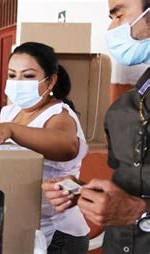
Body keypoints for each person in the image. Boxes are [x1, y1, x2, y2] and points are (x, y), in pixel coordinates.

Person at [0, 42, 90, 253]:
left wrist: (13, 130)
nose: (18, 82)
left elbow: (67, 146)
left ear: (51, 81)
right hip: (18, 227)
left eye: (28, 76)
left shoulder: (59, 115)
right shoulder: (11, 112)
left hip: (55, 236)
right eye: (12, 75)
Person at [42, 0, 150, 253]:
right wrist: (84, 194)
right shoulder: (124, 110)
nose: (112, 28)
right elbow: (129, 186)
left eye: (119, 15)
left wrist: (139, 212)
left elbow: (132, 206)